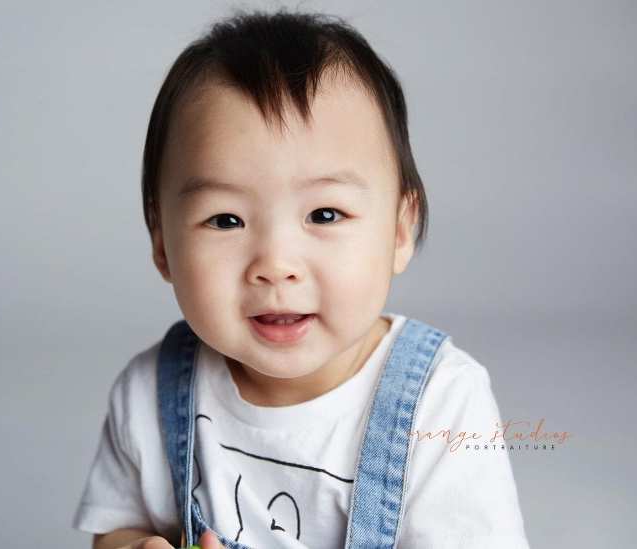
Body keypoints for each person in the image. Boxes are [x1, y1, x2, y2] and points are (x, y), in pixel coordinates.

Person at [72, 8, 530, 549]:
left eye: (325, 215)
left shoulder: (442, 403)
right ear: (162, 243)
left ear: (400, 230)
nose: (276, 264)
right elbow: (116, 532)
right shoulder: (150, 393)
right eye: (226, 220)